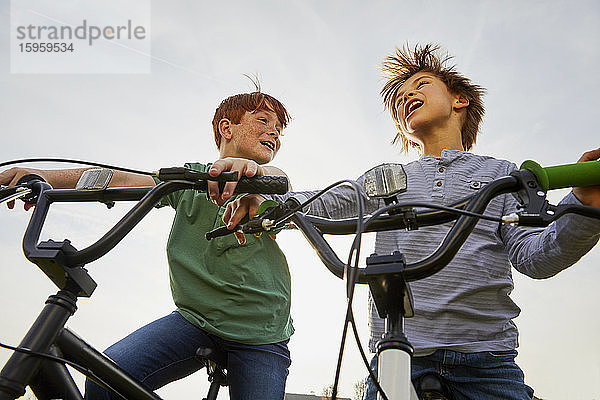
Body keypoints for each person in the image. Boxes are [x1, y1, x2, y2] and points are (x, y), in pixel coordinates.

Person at [213, 44, 600, 400]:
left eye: (421, 85)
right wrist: (267, 200)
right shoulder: (387, 178)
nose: (406, 97)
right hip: (395, 356)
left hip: (484, 360)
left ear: (459, 100)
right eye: (399, 99)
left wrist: (584, 206)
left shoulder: (501, 174)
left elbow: (537, 257)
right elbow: (325, 204)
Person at [0, 91, 294, 400]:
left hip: (262, 334)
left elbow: (282, 180)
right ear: (226, 128)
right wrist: (45, 176)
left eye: (279, 129)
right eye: (263, 120)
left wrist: (257, 175)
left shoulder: (268, 189)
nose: (274, 132)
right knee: (103, 381)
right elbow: (122, 180)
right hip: (195, 319)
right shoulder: (189, 179)